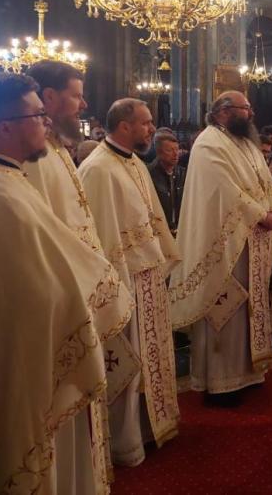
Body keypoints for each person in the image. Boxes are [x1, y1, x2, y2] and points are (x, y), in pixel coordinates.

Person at [0, 72, 131, 494]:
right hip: (23, 368)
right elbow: (44, 294)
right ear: (4, 127)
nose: (46, 123)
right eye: (36, 115)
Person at [78, 98, 181, 467]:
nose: (152, 128)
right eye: (146, 122)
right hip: (125, 281)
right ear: (124, 126)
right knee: (130, 360)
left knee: (151, 357)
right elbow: (101, 239)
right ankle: (125, 441)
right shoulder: (97, 169)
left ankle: (151, 425)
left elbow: (152, 219)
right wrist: (116, 288)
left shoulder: (134, 162)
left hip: (148, 276)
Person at [170, 92, 272, 402]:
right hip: (225, 243)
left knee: (249, 307)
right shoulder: (209, 143)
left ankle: (249, 371)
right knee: (226, 308)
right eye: (245, 108)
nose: (251, 113)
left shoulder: (246, 143)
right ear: (223, 112)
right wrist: (262, 215)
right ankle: (221, 381)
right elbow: (225, 190)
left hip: (252, 240)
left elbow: (266, 182)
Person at [148, 128, 186, 235]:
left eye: (177, 149)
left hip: (180, 229)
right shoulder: (149, 174)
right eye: (169, 150)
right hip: (159, 231)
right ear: (159, 152)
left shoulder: (182, 173)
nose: (175, 154)